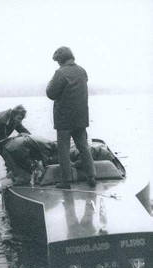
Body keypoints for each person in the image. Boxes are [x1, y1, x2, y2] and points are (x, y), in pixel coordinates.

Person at [46, 46, 96, 189]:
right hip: (81, 118)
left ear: (60, 60)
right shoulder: (82, 71)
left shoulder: (60, 73)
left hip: (64, 120)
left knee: (63, 150)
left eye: (57, 61)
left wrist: (50, 82)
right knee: (83, 147)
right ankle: (91, 176)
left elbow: (51, 93)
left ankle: (66, 181)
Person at [0, 134, 57, 199]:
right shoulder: (47, 148)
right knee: (25, 177)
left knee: (17, 171)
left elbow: (36, 163)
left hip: (8, 147)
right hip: (15, 150)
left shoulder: (44, 141)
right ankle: (0, 185)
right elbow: (46, 169)